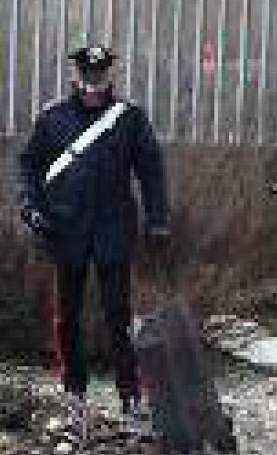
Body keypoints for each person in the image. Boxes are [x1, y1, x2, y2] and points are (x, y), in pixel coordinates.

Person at [17, 45, 170, 425]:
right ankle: (74, 390)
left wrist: (157, 218)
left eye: (99, 78)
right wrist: (32, 208)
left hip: (113, 229)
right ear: (76, 77)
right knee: (67, 315)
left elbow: (151, 169)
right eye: (87, 78)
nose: (93, 86)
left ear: (109, 78)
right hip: (66, 228)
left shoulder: (130, 119)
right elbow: (29, 168)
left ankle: (131, 393)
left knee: (118, 314)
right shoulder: (52, 119)